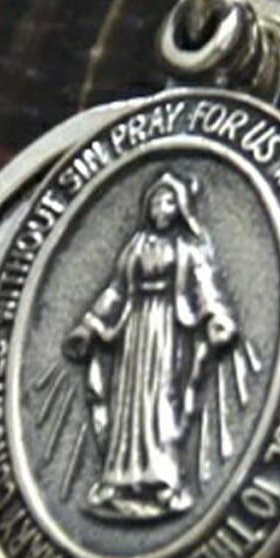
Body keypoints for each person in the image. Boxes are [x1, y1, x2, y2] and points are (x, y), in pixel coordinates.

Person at [63, 171, 238, 521]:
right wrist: (89, 326)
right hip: (134, 331)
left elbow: (204, 288)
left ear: (180, 207)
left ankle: (164, 481)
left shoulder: (187, 248)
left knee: (162, 404)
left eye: (169, 201)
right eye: (157, 201)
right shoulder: (136, 246)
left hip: (169, 332)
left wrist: (215, 318)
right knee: (128, 406)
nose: (162, 208)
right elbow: (116, 290)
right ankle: (117, 481)